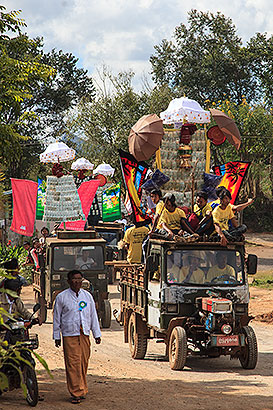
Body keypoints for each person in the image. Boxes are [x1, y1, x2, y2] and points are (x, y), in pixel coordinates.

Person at [53, 270, 101, 404]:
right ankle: (75, 393)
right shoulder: (62, 297)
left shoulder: (87, 296)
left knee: (83, 363)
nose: (77, 282)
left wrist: (96, 334)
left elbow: (93, 316)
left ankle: (82, 388)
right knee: (73, 364)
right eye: (74, 279)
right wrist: (57, 336)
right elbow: (57, 318)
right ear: (69, 281)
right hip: (69, 334)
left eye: (79, 279)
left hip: (84, 334)